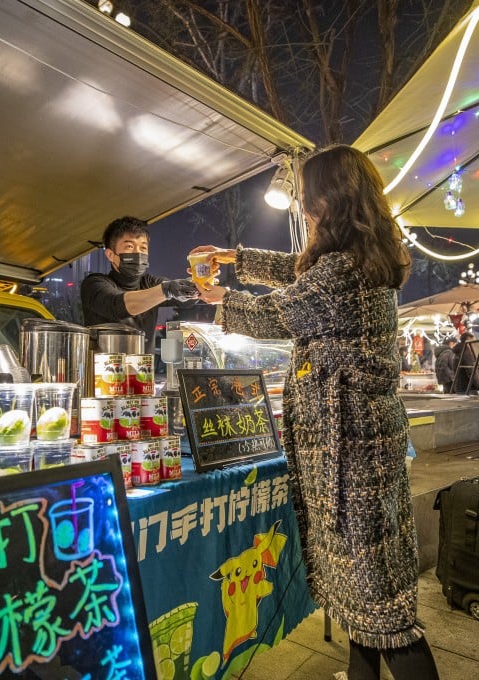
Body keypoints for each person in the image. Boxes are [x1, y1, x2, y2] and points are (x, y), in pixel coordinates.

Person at [189, 144, 439, 680]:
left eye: (310, 198)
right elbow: (298, 270)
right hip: (357, 446)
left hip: (351, 454)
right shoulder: (360, 256)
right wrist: (239, 259)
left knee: (380, 603)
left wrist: (220, 300)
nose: (304, 209)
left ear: (335, 199)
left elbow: (280, 313)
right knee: (362, 594)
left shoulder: (343, 271)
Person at [80, 216, 199, 347]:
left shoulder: (150, 283)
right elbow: (118, 305)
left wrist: (201, 277)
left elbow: (186, 300)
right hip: (103, 359)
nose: (138, 253)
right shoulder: (94, 284)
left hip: (144, 360)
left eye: (143, 248)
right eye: (129, 246)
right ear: (110, 255)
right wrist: (166, 290)